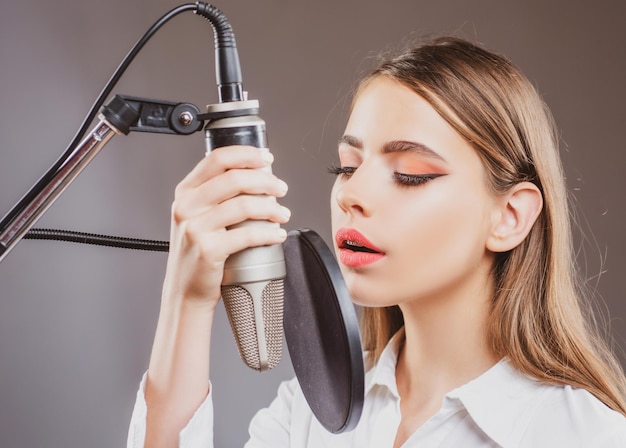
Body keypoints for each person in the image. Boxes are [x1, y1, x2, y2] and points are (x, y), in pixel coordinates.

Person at [127, 37, 626, 447]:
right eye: (346, 167)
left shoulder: (585, 436)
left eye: (409, 174)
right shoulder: (307, 413)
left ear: (510, 217)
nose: (352, 194)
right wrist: (187, 301)